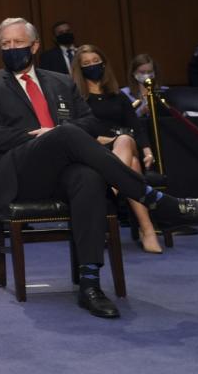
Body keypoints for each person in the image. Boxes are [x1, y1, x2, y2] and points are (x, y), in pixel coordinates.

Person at [0, 18, 198, 318]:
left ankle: (90, 284)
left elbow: (90, 121)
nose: (12, 49)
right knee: (64, 133)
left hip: (61, 171)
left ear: (35, 46)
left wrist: (57, 135)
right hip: (15, 172)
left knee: (88, 176)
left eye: (18, 43)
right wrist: (42, 136)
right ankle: (156, 201)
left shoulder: (61, 81)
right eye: (6, 44)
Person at [71, 45, 162, 253]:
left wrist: (148, 151)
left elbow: (136, 127)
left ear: (104, 64)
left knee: (125, 141)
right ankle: (147, 229)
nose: (92, 66)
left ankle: (107, 193)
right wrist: (99, 139)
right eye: (86, 64)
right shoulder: (77, 98)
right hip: (94, 149)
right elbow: (75, 129)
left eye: (96, 61)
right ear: (79, 68)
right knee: (132, 164)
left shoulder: (118, 95)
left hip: (123, 144)